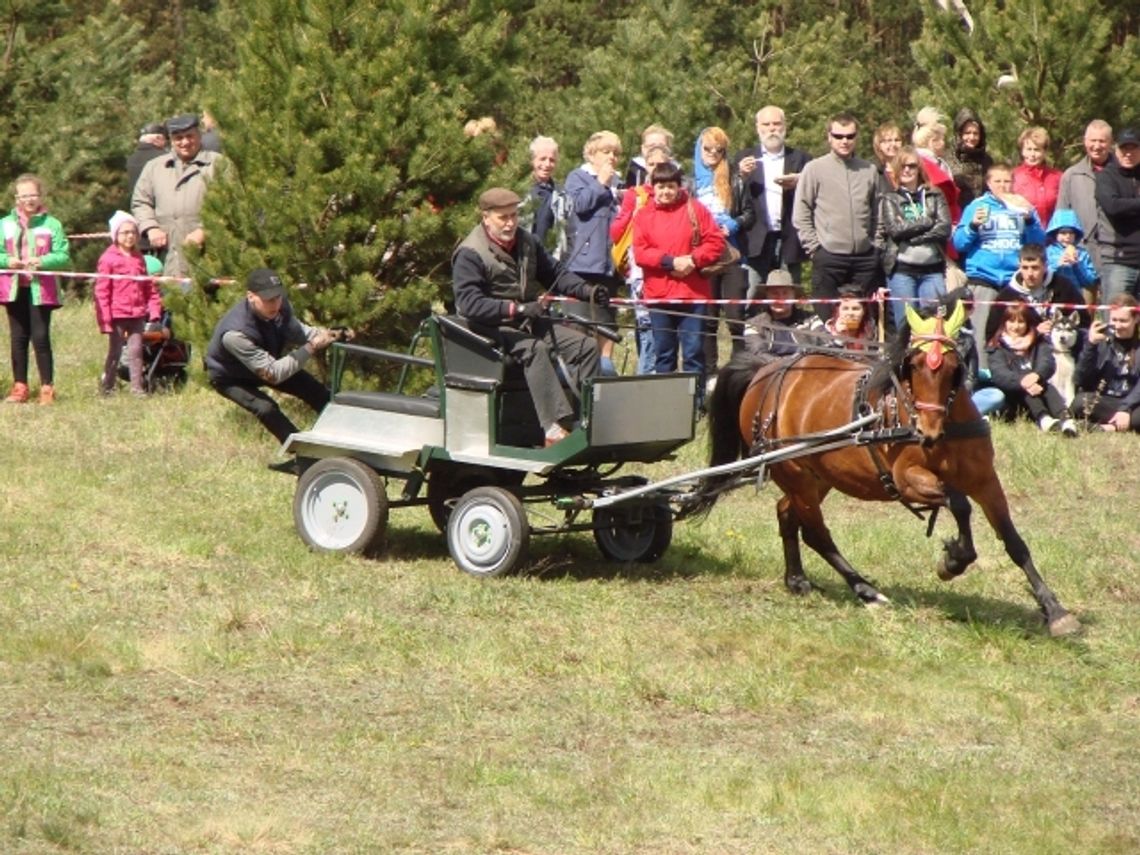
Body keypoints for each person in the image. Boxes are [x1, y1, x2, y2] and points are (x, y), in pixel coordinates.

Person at [452, 188, 605, 446]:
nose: (511, 223)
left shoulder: (527, 242)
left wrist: (586, 291)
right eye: (503, 217)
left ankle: (583, 421)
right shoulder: (471, 252)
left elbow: (555, 273)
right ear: (486, 217)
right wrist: (517, 309)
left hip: (527, 321)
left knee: (586, 347)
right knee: (534, 349)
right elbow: (469, 304)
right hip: (487, 328)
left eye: (514, 215)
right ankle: (552, 431)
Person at [205, 268, 340, 444]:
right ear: (250, 296)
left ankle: (343, 433)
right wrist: (312, 347)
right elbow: (273, 374)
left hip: (266, 364)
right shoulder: (235, 333)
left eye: (278, 297)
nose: (275, 304)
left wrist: (330, 335)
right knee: (266, 408)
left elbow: (299, 333)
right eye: (268, 299)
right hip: (231, 377)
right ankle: (300, 452)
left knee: (314, 389)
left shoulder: (280, 307)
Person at [632, 162, 725, 392]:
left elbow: (715, 241)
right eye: (661, 186)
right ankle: (666, 401)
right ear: (653, 188)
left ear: (679, 186)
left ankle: (697, 402)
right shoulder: (643, 216)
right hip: (659, 296)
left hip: (692, 295)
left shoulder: (696, 209)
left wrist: (692, 260)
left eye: (671, 186)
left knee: (694, 352)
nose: (666, 192)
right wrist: (670, 262)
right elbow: (640, 252)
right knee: (664, 354)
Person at [953, 163, 1046, 369]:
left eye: (1007, 181)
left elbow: (1038, 244)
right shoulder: (977, 206)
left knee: (1014, 331)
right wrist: (972, 226)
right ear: (988, 183)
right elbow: (959, 244)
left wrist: (1030, 219)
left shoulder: (1022, 205)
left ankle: (1012, 376)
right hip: (983, 278)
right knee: (979, 332)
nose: (1003, 186)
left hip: (1013, 281)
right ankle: (978, 376)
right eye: (998, 181)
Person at [792, 111, 883, 322]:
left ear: (856, 138)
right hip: (828, 256)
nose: (844, 141)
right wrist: (814, 248)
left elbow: (878, 212)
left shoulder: (869, 170)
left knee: (864, 321)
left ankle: (863, 355)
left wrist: (876, 245)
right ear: (829, 137)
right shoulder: (814, 169)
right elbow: (801, 211)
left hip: (864, 258)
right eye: (839, 136)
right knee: (827, 320)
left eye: (850, 136)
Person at [131, 112, 230, 278]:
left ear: (199, 136)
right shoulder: (154, 167)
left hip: (211, 256)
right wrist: (151, 227)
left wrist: (204, 232)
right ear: (171, 140)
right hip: (168, 255)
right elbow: (140, 202)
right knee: (171, 299)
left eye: (189, 136)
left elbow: (231, 203)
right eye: (178, 138)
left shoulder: (219, 164)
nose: (184, 142)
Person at [0, 174, 70, 404]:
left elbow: (62, 256)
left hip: (42, 290)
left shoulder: (52, 224)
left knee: (40, 337)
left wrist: (42, 262)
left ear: (41, 196)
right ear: (16, 198)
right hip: (13, 288)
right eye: (24, 195)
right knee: (18, 338)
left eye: (33, 194)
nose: (29, 199)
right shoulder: (5, 224)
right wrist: (7, 261)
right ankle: (20, 387)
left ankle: (47, 387)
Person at [692, 126, 755, 372]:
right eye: (707, 149)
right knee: (708, 319)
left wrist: (733, 224)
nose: (713, 154)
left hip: (732, 255)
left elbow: (750, 214)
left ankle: (737, 371)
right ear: (699, 148)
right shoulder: (689, 182)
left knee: (735, 317)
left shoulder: (734, 179)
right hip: (703, 256)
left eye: (719, 150)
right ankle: (709, 374)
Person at [564, 130, 624, 374]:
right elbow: (579, 205)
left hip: (609, 265)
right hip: (583, 264)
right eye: (605, 151)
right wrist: (600, 182)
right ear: (591, 153)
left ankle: (605, 369)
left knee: (606, 322)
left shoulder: (618, 181)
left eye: (615, 153)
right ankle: (576, 372)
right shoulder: (578, 177)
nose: (611, 157)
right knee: (578, 323)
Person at [610, 143, 672, 374]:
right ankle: (644, 380)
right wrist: (633, 216)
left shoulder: (676, 194)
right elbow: (616, 233)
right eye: (651, 164)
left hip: (668, 270)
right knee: (648, 330)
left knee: (665, 332)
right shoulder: (635, 195)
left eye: (661, 164)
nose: (656, 169)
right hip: (640, 270)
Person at [735, 105, 812, 286]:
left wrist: (801, 181)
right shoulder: (743, 158)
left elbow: (816, 195)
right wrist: (741, 177)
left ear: (785, 126)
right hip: (756, 240)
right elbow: (732, 199)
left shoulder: (802, 159)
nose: (772, 129)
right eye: (766, 124)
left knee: (788, 293)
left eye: (777, 124)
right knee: (751, 296)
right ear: (757, 128)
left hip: (790, 238)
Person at [881, 147, 952, 329]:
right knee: (906, 327)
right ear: (896, 170)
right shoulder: (890, 199)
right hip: (902, 271)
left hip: (932, 270)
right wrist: (927, 221)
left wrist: (914, 237)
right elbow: (895, 230)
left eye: (912, 166)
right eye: (902, 166)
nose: (907, 170)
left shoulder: (935, 195)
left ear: (919, 169)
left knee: (934, 324)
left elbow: (944, 228)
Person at [94, 211, 163, 395]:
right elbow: (102, 291)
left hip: (137, 314)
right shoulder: (107, 259)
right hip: (117, 314)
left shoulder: (139, 258)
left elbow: (148, 286)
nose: (130, 236)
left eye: (133, 232)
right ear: (115, 235)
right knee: (115, 351)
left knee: (136, 351)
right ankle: (108, 385)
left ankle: (137, 387)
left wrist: (154, 309)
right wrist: (105, 319)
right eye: (125, 232)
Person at [986, 301, 1077, 435]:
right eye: (1011, 321)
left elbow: (1048, 363)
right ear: (1004, 322)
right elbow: (1000, 375)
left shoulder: (1038, 342)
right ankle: (1044, 419)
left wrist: (1036, 376)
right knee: (1027, 383)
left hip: (1040, 390)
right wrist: (1024, 381)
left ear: (1028, 323)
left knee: (1046, 386)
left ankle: (1067, 420)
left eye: (1021, 322)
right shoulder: (996, 346)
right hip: (1013, 398)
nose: (1016, 327)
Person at [990, 243, 1087, 342]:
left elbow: (1084, 323)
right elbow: (992, 336)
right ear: (1019, 266)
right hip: (1022, 352)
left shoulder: (1064, 287)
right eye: (1025, 267)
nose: (1030, 274)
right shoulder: (1007, 297)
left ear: (1045, 266)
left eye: (1035, 268)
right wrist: (1034, 332)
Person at [1074, 294, 1140, 432]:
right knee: (1080, 402)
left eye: (1123, 321)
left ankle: (1105, 428)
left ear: (1136, 319)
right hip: (1105, 400)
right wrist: (1091, 345)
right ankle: (1119, 425)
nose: (1117, 326)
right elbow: (1080, 379)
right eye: (1114, 320)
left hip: (1133, 404)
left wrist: (1125, 409)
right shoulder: (1102, 342)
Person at [1057, 120, 1113, 275]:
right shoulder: (1071, 175)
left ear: (1110, 143)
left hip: (1115, 255)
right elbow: (1063, 216)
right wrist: (1068, 246)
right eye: (1092, 140)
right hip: (1081, 254)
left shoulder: (1122, 173)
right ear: (1084, 141)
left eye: (1102, 141)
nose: (1096, 146)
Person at [1093, 126, 1140, 304]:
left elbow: (1122, 206)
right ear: (1116, 149)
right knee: (1115, 323)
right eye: (1124, 148)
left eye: (1133, 148)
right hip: (1118, 261)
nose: (1128, 154)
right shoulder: (1106, 177)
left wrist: (1129, 206)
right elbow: (1113, 206)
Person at [741, 269, 814, 357]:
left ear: (794, 296)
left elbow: (826, 343)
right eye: (774, 293)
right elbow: (757, 352)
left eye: (785, 293)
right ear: (766, 297)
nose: (780, 298)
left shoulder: (811, 319)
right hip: (770, 367)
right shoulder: (753, 324)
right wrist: (787, 365)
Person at [912, 108, 961, 225]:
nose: (944, 143)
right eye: (942, 139)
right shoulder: (923, 165)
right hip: (936, 222)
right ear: (933, 141)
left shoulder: (936, 163)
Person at [1012, 126, 1063, 228]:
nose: (1032, 154)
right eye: (1028, 149)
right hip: (1023, 236)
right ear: (1022, 151)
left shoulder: (1057, 177)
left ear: (1044, 152)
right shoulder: (1013, 176)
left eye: (1036, 150)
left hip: (1051, 237)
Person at [1044, 209, 1099, 298]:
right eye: (1063, 233)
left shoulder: (1082, 253)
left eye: (1071, 233)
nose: (1067, 236)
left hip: (1074, 295)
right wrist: (1057, 265)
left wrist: (1077, 265)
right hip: (1051, 295)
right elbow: (1042, 275)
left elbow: (1089, 281)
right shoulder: (1048, 252)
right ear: (1055, 234)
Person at [949, 108, 993, 209]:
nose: (972, 137)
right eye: (967, 133)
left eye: (975, 133)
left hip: (983, 213)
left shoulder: (987, 160)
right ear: (959, 134)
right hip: (958, 215)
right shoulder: (948, 159)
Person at [524, 135, 560, 246]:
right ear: (532, 160)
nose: (547, 164)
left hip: (549, 257)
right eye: (542, 159)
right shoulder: (522, 190)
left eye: (552, 160)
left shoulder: (559, 193)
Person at [126, 122, 167, 204]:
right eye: (165, 139)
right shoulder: (164, 158)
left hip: (137, 207)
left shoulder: (130, 159)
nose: (166, 143)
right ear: (158, 138)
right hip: (160, 208)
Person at [624, 124, 674, 188]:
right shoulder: (633, 170)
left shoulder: (676, 172)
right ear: (643, 149)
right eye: (651, 146)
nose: (656, 150)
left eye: (661, 146)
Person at [871, 122, 903, 192]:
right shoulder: (874, 170)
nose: (893, 144)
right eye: (888, 140)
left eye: (897, 140)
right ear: (879, 145)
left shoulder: (908, 167)